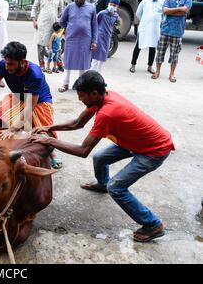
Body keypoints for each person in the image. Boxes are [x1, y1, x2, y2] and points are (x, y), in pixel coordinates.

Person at [32, 71, 175, 242]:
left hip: (154, 150)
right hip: (134, 142)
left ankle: (153, 225)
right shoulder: (102, 98)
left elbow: (83, 150)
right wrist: (49, 127)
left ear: (94, 94)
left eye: (82, 96)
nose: (79, 99)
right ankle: (102, 184)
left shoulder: (107, 113)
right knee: (100, 157)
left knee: (116, 188)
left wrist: (50, 141)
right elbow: (78, 123)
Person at [0, 41, 62, 169]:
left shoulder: (35, 74)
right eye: (7, 63)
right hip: (18, 97)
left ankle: (51, 152)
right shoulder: (4, 64)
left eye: (11, 64)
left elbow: (30, 107)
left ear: (22, 61)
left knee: (40, 131)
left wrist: (13, 129)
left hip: (39, 102)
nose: (7, 67)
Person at [59, 0, 97, 93]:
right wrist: (70, 29)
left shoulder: (91, 8)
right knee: (68, 62)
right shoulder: (69, 7)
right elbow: (62, 21)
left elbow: (95, 25)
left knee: (83, 64)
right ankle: (65, 84)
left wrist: (94, 41)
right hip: (71, 40)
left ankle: (81, 85)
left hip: (86, 40)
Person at [151, 0, 192, 83]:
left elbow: (185, 11)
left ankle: (172, 74)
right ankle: (157, 72)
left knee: (175, 55)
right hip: (165, 30)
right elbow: (165, 11)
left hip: (177, 32)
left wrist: (172, 11)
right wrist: (180, 9)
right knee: (160, 52)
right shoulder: (168, 0)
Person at [130, 0, 164, 74]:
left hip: (155, 29)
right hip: (144, 28)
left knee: (153, 47)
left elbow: (164, 15)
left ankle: (150, 66)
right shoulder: (145, 1)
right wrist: (145, 21)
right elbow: (138, 13)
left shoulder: (163, 2)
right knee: (138, 46)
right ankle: (133, 65)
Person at [31, 0, 64, 71]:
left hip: (54, 25)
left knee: (57, 45)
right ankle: (41, 65)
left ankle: (59, 64)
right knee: (40, 45)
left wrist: (60, 23)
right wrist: (34, 21)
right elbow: (34, 8)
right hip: (41, 24)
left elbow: (61, 10)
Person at [90, 0, 119, 73]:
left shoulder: (115, 16)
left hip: (107, 38)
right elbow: (95, 24)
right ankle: (90, 75)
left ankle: (98, 74)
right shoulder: (102, 13)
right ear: (108, 4)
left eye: (114, 5)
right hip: (99, 37)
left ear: (117, 7)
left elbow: (114, 24)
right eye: (111, 4)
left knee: (102, 58)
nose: (112, 6)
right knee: (95, 58)